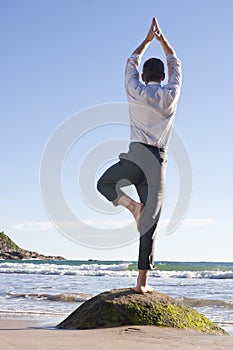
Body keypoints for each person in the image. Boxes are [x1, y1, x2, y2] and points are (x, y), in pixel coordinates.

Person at [97, 17, 182, 293]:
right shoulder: (171, 94)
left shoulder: (136, 90)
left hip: (135, 158)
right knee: (151, 222)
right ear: (163, 77)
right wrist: (162, 40)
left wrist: (146, 41)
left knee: (103, 184)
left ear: (145, 77)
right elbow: (176, 64)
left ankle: (132, 207)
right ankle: (141, 284)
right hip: (156, 163)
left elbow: (130, 63)